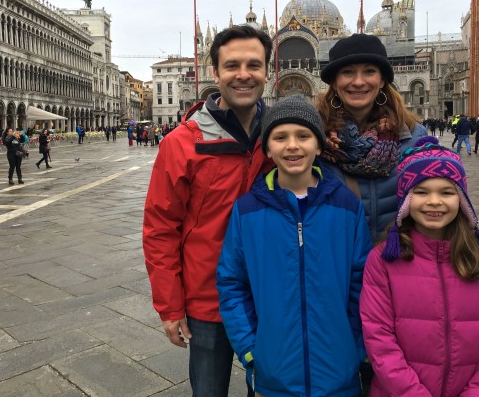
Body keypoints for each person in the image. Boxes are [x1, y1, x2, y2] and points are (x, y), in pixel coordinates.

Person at [143, 25, 273, 397]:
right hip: (206, 300)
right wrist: (170, 306)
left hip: (270, 294)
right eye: (232, 65)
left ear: (268, 71)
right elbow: (160, 228)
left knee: (270, 389)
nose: (243, 74)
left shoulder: (284, 138)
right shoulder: (182, 143)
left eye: (254, 64)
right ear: (214, 73)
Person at [217, 95, 372, 396]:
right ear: (268, 148)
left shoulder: (346, 206)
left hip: (338, 374)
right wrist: (251, 349)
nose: (292, 146)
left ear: (318, 144)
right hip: (273, 374)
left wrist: (354, 346)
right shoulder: (248, 210)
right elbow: (232, 284)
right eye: (280, 137)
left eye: (303, 135)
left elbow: (363, 282)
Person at [360, 136, 479, 396]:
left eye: (447, 192)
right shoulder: (384, 261)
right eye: (420, 192)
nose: (434, 201)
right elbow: (378, 337)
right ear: (405, 201)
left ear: (462, 201)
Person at [316, 33, 427, 243]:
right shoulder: (315, 138)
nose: (358, 82)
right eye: (347, 72)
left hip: (398, 260)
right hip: (340, 261)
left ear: (382, 79)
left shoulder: (413, 136)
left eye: (369, 71)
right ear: (334, 81)